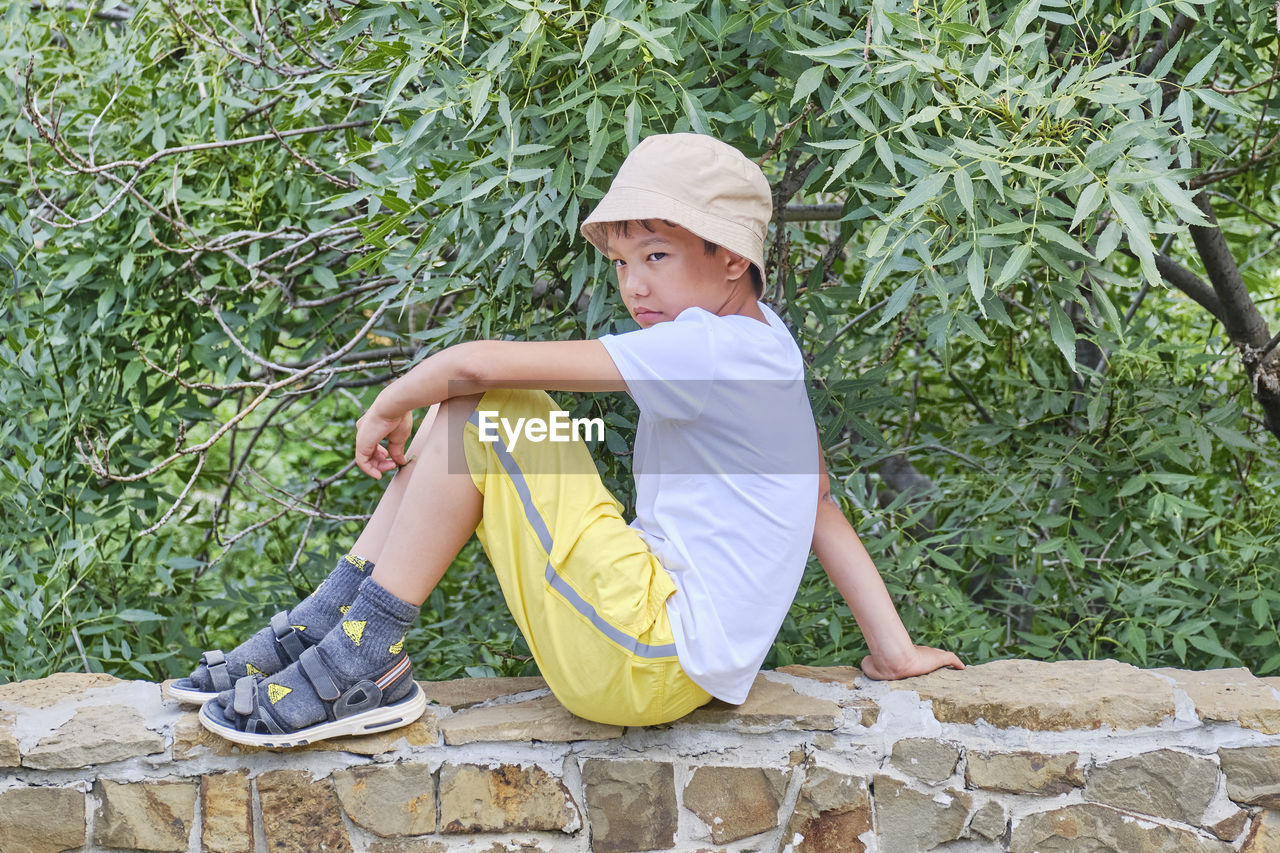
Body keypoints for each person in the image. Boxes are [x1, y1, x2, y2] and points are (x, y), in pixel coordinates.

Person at [166, 133, 963, 747]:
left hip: (646, 653)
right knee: (472, 414)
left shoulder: (708, 348)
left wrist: (390, 399)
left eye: (657, 256)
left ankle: (356, 659)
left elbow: (477, 363)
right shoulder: (767, 345)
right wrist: (891, 650)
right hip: (651, 650)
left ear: (731, 260)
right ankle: (325, 629)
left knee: (481, 402)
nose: (635, 285)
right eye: (623, 262)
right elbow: (817, 499)